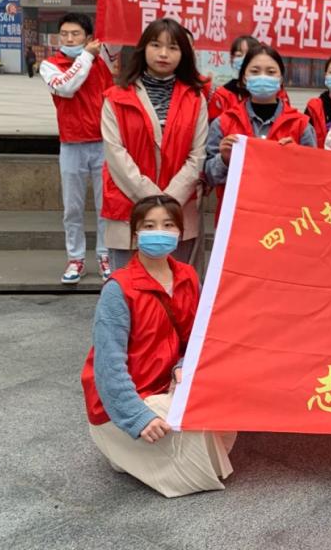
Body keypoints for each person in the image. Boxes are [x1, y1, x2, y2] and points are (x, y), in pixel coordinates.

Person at [81, 195, 235, 497]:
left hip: (167, 385)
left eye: (167, 225)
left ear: (180, 232)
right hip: (128, 401)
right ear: (135, 234)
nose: (159, 232)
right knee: (187, 447)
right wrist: (137, 417)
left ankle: (139, 452)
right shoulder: (119, 289)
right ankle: (123, 442)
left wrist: (181, 367)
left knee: (223, 395)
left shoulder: (187, 276)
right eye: (149, 226)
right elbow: (108, 367)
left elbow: (196, 340)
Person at [101, 18, 208, 271]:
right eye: (156, 45)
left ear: (184, 54)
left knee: (177, 285)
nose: (163, 53)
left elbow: (198, 156)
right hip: (129, 208)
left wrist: (169, 202)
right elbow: (116, 155)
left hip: (179, 210)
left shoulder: (196, 98)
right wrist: (153, 201)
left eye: (173, 47)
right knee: (128, 286)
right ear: (143, 48)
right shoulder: (116, 97)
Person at [40, 13, 116, 284]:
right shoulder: (49, 65)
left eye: (75, 34)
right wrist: (85, 56)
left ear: (88, 37)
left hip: (102, 143)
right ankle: (76, 258)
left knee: (106, 206)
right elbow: (67, 87)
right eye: (64, 34)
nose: (69, 39)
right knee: (72, 208)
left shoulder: (101, 62)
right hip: (71, 144)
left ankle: (105, 255)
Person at [204, 45, 316, 187]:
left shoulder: (301, 126)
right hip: (238, 201)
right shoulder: (223, 123)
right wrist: (224, 159)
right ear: (244, 78)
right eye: (255, 72)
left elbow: (314, 177)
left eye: (271, 72)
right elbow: (209, 177)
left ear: (281, 79)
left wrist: (296, 159)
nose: (263, 76)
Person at [208, 35, 259, 122]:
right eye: (239, 55)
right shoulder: (222, 95)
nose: (244, 59)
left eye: (249, 55)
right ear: (231, 59)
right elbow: (215, 127)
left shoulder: (272, 92)